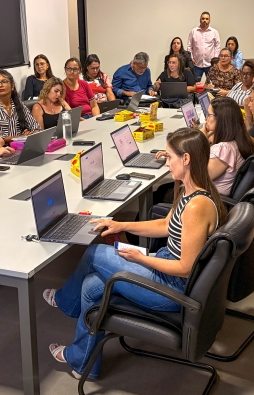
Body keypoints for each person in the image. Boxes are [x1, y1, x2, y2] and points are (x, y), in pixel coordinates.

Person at [44, 128, 225, 379]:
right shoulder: (188, 191)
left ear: (186, 159)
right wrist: (122, 225)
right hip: (164, 266)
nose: (165, 161)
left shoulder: (197, 206)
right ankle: (84, 364)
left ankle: (66, 303)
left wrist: (141, 258)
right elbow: (164, 225)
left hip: (172, 288)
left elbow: (186, 267)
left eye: (170, 157)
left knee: (95, 252)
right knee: (91, 285)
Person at [202, 97, 254, 196]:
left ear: (221, 119)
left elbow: (200, 177)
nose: (206, 119)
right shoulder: (239, 139)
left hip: (210, 201)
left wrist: (201, 141)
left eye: (209, 115)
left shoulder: (224, 149)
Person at [0, 70, 40, 141]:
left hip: (22, 145)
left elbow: (36, 127)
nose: (0, 85)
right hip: (4, 149)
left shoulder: (19, 104)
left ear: (12, 85)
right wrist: (21, 137)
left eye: (4, 81)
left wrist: (31, 134)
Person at [187, 11, 221, 80]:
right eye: (203, 18)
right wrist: (191, 57)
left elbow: (217, 46)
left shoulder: (214, 32)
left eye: (206, 19)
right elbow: (189, 46)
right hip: (197, 64)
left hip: (210, 64)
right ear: (200, 20)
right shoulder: (193, 32)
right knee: (196, 84)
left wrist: (215, 59)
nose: (204, 20)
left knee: (212, 84)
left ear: (209, 20)